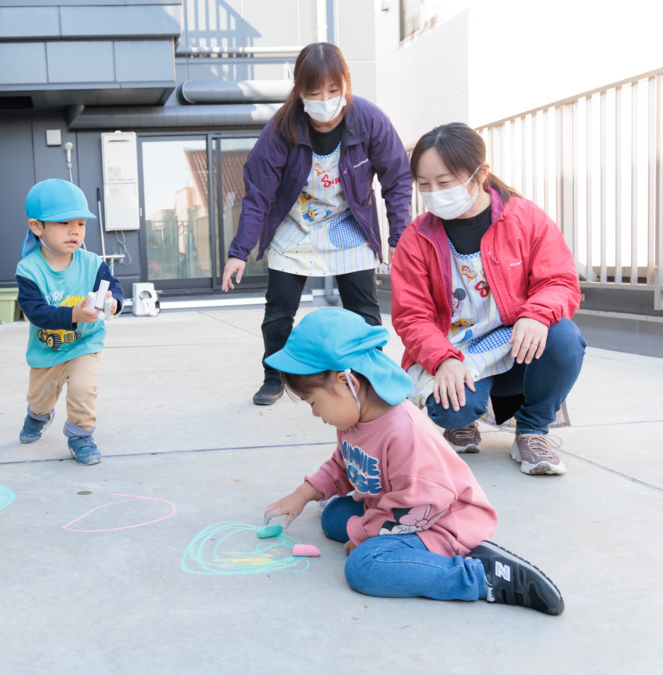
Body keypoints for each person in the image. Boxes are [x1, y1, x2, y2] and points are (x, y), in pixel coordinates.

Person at [262, 308, 564, 614]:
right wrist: (302, 495)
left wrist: (364, 535)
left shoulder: (403, 430)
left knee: (365, 568)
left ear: (345, 381)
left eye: (314, 403)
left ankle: (480, 577)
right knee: (334, 516)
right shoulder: (353, 420)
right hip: (398, 505)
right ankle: (374, 533)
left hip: (441, 521)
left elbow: (417, 505)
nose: (316, 414)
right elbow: (343, 464)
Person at [220, 42, 412, 406]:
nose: (325, 100)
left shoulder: (369, 119)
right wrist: (239, 251)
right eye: (314, 92)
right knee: (279, 310)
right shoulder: (282, 128)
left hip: (347, 220)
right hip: (296, 222)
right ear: (299, 91)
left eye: (333, 90)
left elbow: (397, 178)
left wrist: (398, 236)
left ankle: (372, 377)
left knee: (364, 311)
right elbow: (258, 193)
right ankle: (273, 375)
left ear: (345, 85)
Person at [390, 123, 585, 476]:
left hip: (515, 345)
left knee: (564, 338)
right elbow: (411, 316)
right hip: (457, 352)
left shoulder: (526, 219)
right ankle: (462, 421)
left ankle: (532, 431)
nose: (434, 193)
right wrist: (442, 360)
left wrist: (536, 315)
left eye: (445, 182)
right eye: (424, 185)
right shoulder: (415, 238)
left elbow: (559, 281)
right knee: (450, 409)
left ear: (481, 174)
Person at [16, 178, 124, 466]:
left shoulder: (92, 262)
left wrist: (113, 301)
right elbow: (36, 312)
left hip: (85, 343)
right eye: (64, 223)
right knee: (40, 399)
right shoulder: (29, 270)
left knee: (83, 389)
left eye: (81, 223)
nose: (75, 230)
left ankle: (81, 435)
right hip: (46, 350)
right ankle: (37, 416)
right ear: (37, 227)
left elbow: (114, 287)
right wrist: (73, 315)